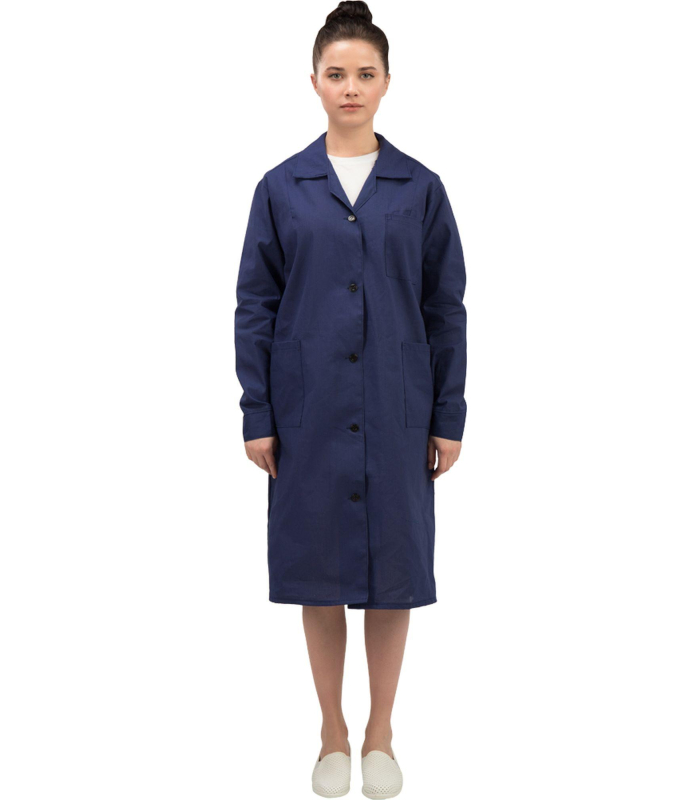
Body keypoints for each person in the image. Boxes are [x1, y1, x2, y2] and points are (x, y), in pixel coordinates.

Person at [233, 2, 468, 796]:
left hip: (399, 407)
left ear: (387, 82)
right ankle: (332, 731)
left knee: (394, 571)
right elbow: (255, 306)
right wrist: (258, 414)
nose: (351, 87)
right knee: (320, 570)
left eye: (365, 74)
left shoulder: (421, 189)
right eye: (336, 74)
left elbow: (445, 308)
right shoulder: (281, 188)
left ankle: (380, 734)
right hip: (310, 411)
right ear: (314, 83)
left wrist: (448, 416)